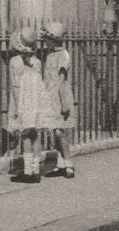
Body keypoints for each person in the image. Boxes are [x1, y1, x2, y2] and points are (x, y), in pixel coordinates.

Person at [7, 26, 45, 182]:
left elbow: (15, 87)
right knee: (35, 134)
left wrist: (18, 108)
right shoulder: (37, 62)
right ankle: (36, 171)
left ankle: (28, 171)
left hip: (22, 101)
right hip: (35, 102)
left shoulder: (14, 62)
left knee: (25, 135)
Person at [40, 21, 76, 178]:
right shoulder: (50, 54)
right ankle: (61, 164)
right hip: (50, 97)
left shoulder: (64, 55)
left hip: (60, 98)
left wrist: (64, 104)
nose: (45, 42)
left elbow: (61, 81)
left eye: (47, 38)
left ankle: (69, 164)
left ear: (53, 39)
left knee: (60, 132)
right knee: (54, 132)